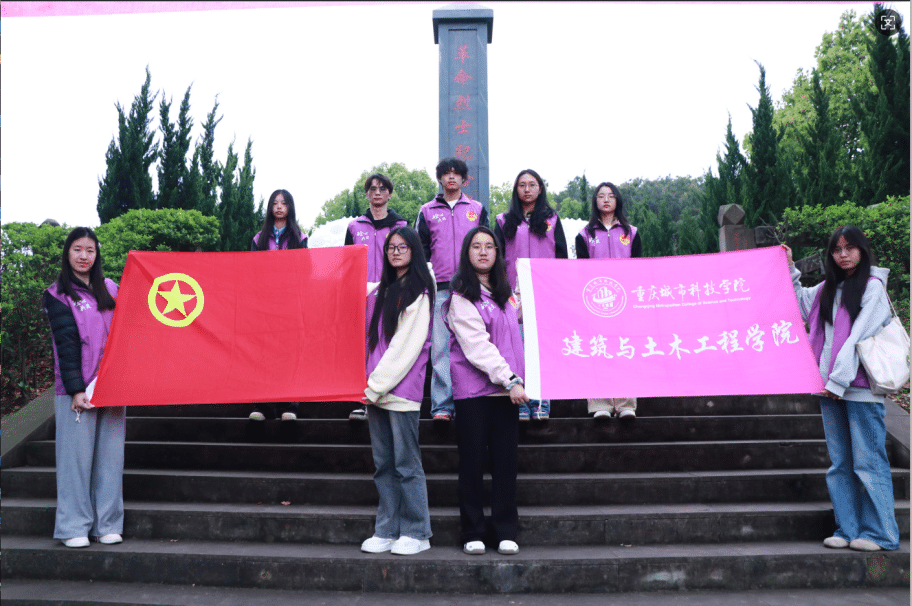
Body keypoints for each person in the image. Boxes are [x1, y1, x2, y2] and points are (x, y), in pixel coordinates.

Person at [784, 225, 899, 552]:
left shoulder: (872, 287)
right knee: (840, 465)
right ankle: (847, 529)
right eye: (837, 249)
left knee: (869, 462)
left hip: (859, 389)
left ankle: (881, 534)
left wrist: (838, 380)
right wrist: (789, 268)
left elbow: (858, 337)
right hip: (829, 389)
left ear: (862, 250)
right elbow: (800, 305)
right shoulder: (827, 288)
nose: (843, 255)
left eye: (850, 248)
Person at [446, 226, 527, 556]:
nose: (483, 251)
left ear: (497, 253)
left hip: (506, 392)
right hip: (475, 393)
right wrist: (510, 379)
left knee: (506, 464)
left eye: (489, 246)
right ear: (467, 253)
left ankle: (505, 530)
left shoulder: (504, 295)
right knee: (472, 463)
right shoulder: (462, 296)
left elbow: (522, 320)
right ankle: (473, 531)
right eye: (476, 246)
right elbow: (477, 346)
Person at [42, 227, 124, 548]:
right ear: (67, 253)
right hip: (77, 391)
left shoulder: (111, 288)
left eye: (90, 250)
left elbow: (126, 332)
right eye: (77, 249)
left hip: (112, 387)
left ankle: (107, 524)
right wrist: (77, 389)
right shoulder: (57, 294)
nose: (84, 256)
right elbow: (66, 346)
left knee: (110, 460)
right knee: (75, 462)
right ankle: (73, 526)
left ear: (97, 254)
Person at [359, 227, 435, 555]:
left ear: (414, 250)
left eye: (403, 246)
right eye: (391, 247)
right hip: (375, 390)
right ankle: (387, 529)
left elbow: (406, 346)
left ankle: (417, 532)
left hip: (400, 390)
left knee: (406, 464)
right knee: (384, 465)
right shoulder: (380, 291)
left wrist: (375, 385)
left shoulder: (419, 291)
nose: (396, 251)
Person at [416, 157, 488, 422]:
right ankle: (442, 406)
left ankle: (472, 401)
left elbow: (487, 245)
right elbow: (421, 251)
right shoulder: (427, 211)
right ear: (440, 178)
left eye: (456, 173)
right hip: (441, 289)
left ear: (463, 179)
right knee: (440, 349)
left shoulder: (476, 209)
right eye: (446, 173)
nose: (451, 177)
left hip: (472, 288)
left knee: (474, 345)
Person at [493, 169, 567, 421]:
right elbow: (496, 256)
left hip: (545, 289)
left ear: (540, 189)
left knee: (541, 348)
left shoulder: (552, 219)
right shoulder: (503, 220)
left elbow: (561, 254)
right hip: (512, 291)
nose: (527, 189)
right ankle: (521, 401)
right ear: (516, 190)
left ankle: (541, 401)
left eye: (532, 184)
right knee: (516, 347)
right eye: (522, 185)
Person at [575, 182, 642, 422]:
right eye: (601, 196)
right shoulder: (584, 235)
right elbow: (581, 272)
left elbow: (639, 267)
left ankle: (626, 404)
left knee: (624, 349)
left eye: (611, 196)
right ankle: (600, 403)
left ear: (617, 201)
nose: (606, 200)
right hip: (596, 302)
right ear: (595, 201)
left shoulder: (631, 232)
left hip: (625, 301)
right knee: (598, 349)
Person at [346, 172, 408, 421]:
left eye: (383, 189)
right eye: (373, 189)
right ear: (367, 194)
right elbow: (347, 261)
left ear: (390, 194)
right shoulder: (355, 226)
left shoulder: (401, 225)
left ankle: (386, 395)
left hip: (391, 292)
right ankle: (361, 399)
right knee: (362, 347)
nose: (378, 193)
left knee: (389, 344)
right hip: (361, 294)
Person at [249, 189, 308, 421]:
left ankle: (289, 405)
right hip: (265, 305)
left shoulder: (300, 238)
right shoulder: (259, 239)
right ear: (270, 208)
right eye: (275, 203)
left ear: (290, 207)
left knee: (289, 353)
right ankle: (263, 405)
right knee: (263, 353)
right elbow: (252, 271)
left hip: (290, 303)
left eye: (284, 203)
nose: (279, 207)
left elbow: (306, 271)